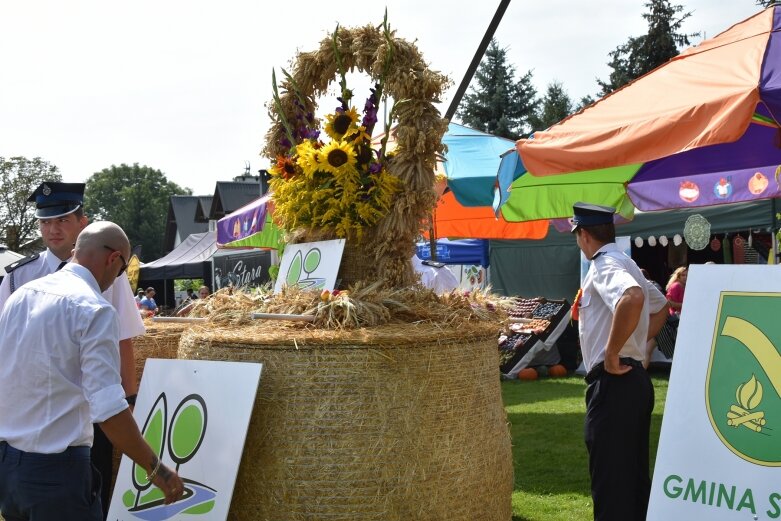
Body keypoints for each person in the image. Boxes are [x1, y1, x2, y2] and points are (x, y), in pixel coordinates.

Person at [0, 222, 184, 520]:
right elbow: (108, 408)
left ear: (75, 252)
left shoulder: (20, 295)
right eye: (123, 270)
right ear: (114, 260)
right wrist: (156, 469)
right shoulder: (94, 310)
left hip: (9, 468)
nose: (117, 279)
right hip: (56, 475)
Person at [570, 202, 668, 521]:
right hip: (633, 381)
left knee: (612, 484)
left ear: (583, 235)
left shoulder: (604, 264)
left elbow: (634, 298)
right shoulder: (627, 262)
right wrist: (635, 342)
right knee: (633, 480)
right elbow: (660, 307)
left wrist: (613, 352)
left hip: (614, 381)